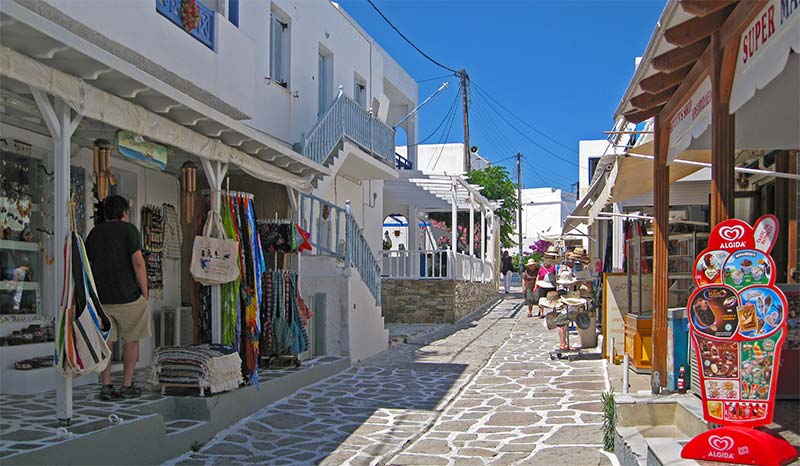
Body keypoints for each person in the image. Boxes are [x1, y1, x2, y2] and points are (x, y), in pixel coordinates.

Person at [86, 195, 149, 400]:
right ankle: (127, 385)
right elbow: (138, 262)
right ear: (123, 212)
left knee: (107, 342)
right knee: (131, 340)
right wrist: (145, 290)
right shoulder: (129, 230)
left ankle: (106, 385)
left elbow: (89, 265)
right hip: (128, 295)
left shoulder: (94, 233)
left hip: (102, 298)